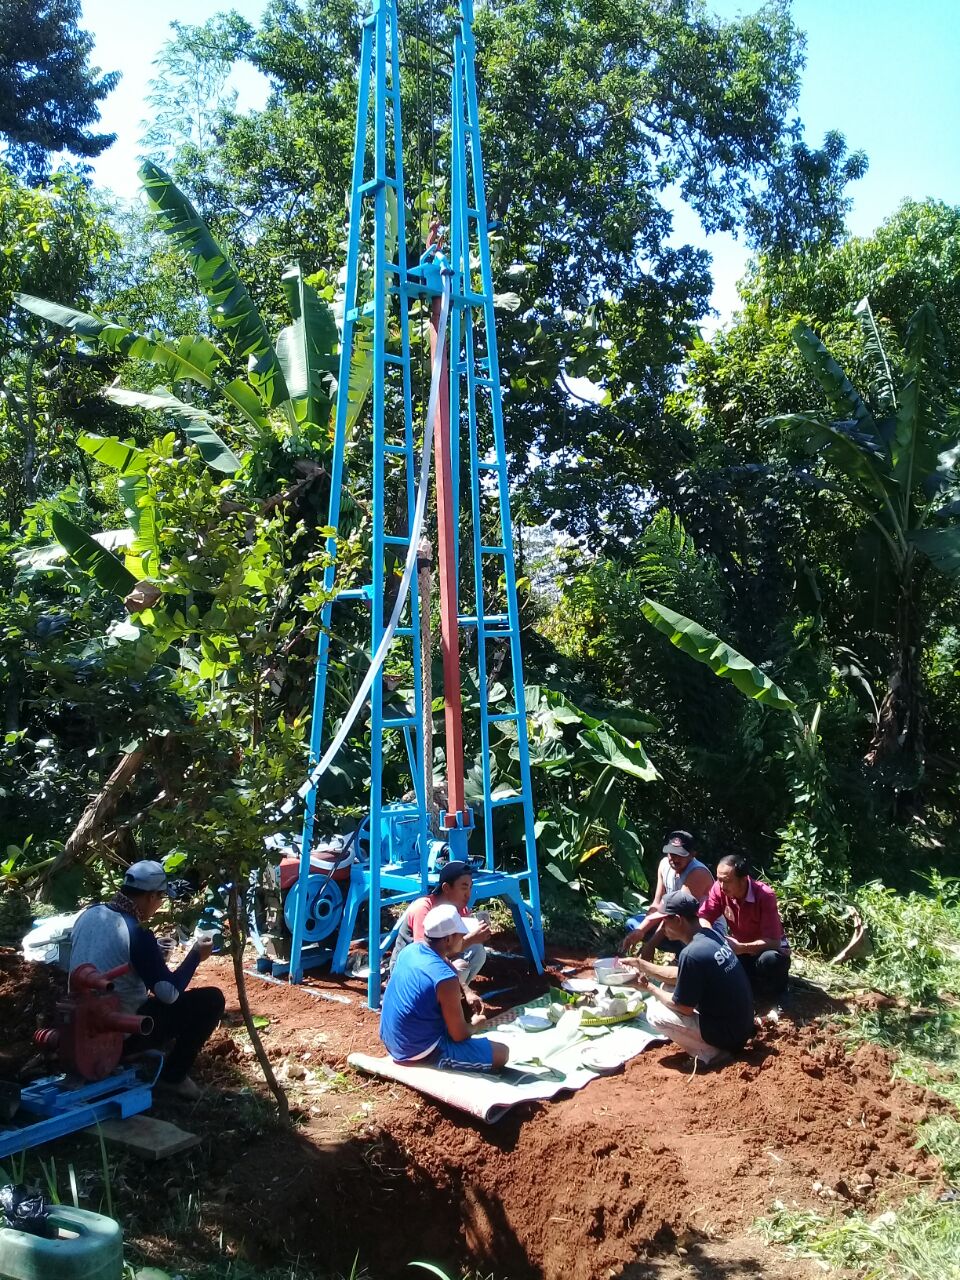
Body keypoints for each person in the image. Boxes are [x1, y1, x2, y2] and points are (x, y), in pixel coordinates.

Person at [69, 860, 225, 1100]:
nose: (160, 904)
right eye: (161, 898)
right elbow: (169, 993)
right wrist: (195, 956)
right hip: (115, 1032)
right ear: (152, 897)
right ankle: (173, 1077)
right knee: (212, 1000)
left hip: (76, 1027)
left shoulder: (89, 914)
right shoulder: (137, 931)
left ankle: (133, 1053)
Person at [625, 890, 754, 1069]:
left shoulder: (691, 953)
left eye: (665, 920)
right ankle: (716, 1043)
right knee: (667, 986)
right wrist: (640, 964)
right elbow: (680, 975)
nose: (662, 926)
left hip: (729, 1035)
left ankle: (712, 1054)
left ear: (678, 920)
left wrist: (649, 988)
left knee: (655, 1013)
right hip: (742, 1024)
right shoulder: (711, 935)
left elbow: (684, 1009)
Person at [379, 904, 508, 1072]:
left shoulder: (411, 950)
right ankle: (435, 1062)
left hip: (392, 1041)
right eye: (461, 934)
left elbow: (445, 964)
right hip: (419, 1052)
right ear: (447, 939)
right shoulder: (445, 980)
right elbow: (459, 1034)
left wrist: (467, 991)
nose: (464, 937)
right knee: (502, 1053)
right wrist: (476, 1025)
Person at [389, 860, 490, 1013]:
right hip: (410, 969)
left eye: (470, 887)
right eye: (463, 887)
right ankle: (440, 1005)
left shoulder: (459, 909)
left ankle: (452, 998)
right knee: (458, 968)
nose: (468, 894)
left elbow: (447, 949)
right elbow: (425, 955)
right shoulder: (423, 907)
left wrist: (476, 936)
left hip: (435, 959)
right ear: (446, 888)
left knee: (477, 951)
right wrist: (464, 986)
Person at [698, 854, 791, 1002]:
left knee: (770, 960)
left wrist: (741, 947)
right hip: (741, 949)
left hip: (767, 949)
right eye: (719, 879)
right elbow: (704, 916)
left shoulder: (764, 895)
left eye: (727, 881)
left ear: (743, 879)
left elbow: (774, 942)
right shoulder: (719, 889)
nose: (721, 886)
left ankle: (777, 996)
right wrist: (711, 938)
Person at [622, 831, 714, 959]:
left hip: (698, 928)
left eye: (680, 855)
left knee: (674, 930)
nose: (674, 858)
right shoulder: (664, 865)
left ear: (692, 855)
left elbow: (677, 913)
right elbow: (657, 904)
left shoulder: (697, 873)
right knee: (633, 924)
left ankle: (685, 958)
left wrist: (651, 945)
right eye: (671, 853)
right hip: (673, 920)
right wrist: (640, 931)